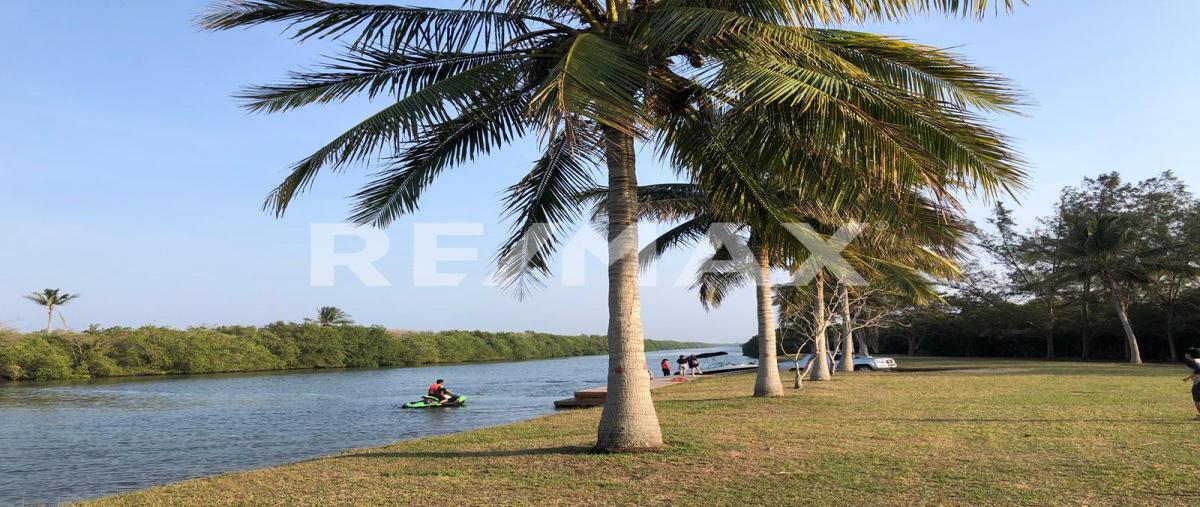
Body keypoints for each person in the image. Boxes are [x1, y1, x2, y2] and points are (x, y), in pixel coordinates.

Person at [1182, 348, 1200, 420]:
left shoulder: (1192, 361)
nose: (1185, 354)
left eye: (1186, 353)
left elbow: (1199, 370)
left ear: (1189, 354)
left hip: (1198, 383)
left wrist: (1188, 378)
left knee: (1197, 401)